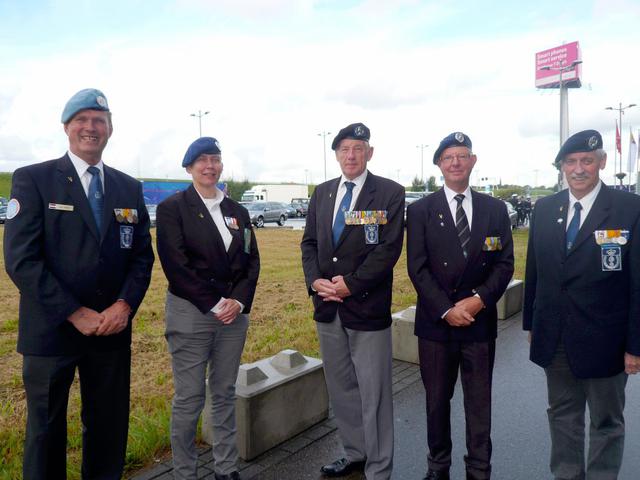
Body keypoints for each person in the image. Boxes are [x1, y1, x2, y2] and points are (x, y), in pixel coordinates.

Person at [3, 88, 154, 480]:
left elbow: (141, 257)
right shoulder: (34, 179)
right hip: (52, 331)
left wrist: (124, 306)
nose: (91, 128)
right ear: (67, 127)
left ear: (110, 129)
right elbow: (21, 259)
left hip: (110, 330)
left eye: (99, 121)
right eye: (82, 121)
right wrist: (73, 311)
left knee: (108, 428)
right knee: (46, 431)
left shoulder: (127, 187)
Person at [523, 129, 640, 480]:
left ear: (601, 163)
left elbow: (638, 283)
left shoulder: (629, 209)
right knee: (562, 418)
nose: (578, 169)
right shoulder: (545, 209)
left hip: (608, 342)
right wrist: (531, 324)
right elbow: (535, 272)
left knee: (606, 422)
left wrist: (635, 346)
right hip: (555, 338)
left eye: (586, 161)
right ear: (561, 167)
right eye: (570, 162)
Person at [406, 132, 514, 480]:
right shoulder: (420, 210)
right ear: (439, 164)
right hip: (436, 325)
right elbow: (417, 268)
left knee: (479, 403)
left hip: (478, 323)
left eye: (462, 155)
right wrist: (446, 309)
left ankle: (479, 469)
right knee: (437, 402)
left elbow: (505, 264)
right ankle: (438, 467)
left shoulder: (495, 209)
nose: (455, 162)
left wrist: (479, 299)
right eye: (448, 157)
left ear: (473, 161)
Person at [300, 122, 405, 480]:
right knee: (342, 387)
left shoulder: (390, 193)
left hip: (366, 307)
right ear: (336, 154)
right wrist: (316, 282)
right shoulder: (323, 192)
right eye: (344, 148)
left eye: (358, 148)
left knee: (373, 392)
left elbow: (388, 250)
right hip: (327, 308)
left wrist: (351, 285)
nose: (350, 154)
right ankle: (355, 453)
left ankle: (379, 467)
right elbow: (309, 243)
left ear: (369, 153)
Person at [156, 137, 260, 480]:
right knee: (189, 399)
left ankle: (225, 468)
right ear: (189, 167)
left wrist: (239, 302)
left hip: (232, 317)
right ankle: (185, 472)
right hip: (192, 314)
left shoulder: (237, 211)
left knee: (224, 394)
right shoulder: (174, 209)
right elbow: (176, 266)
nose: (209, 166)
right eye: (201, 160)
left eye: (215, 159)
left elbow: (251, 262)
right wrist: (215, 304)